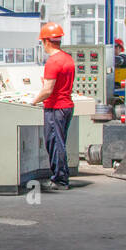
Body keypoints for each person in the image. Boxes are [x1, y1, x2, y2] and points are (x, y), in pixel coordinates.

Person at [30, 23, 75, 189]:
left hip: (56, 108)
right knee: (59, 142)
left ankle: (60, 180)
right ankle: (61, 176)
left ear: (46, 42)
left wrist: (33, 101)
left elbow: (48, 90)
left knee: (55, 144)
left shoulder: (53, 62)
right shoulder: (67, 58)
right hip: (66, 106)